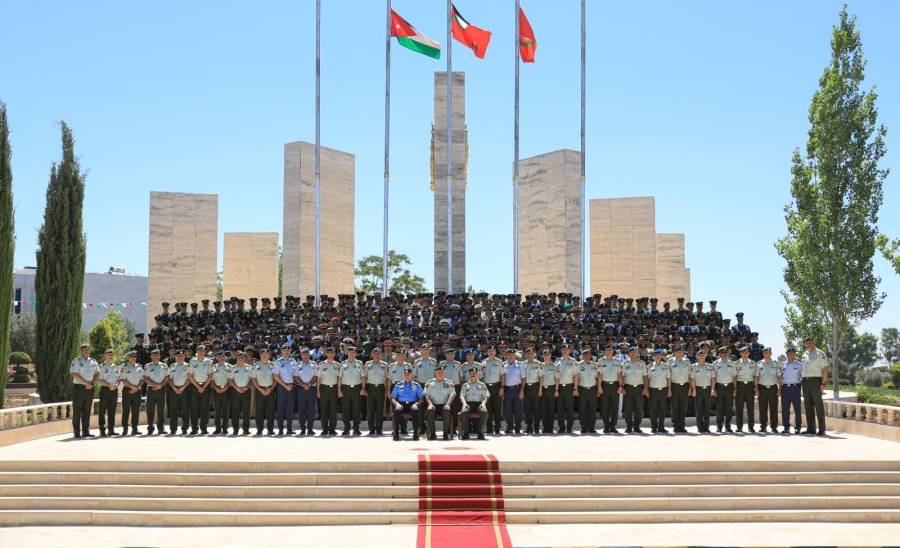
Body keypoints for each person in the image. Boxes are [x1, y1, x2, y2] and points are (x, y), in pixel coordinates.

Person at [69, 344, 99, 439]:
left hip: (90, 388)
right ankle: (76, 432)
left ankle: (86, 432)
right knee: (77, 411)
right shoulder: (76, 361)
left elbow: (97, 373)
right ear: (81, 351)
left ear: (89, 350)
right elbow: (74, 374)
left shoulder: (93, 361)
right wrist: (86, 383)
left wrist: (92, 383)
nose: (85, 351)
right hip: (79, 388)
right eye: (83, 349)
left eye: (87, 349)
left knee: (87, 411)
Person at [801, 337, 829, 436]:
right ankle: (811, 428)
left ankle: (822, 429)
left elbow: (825, 369)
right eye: (807, 343)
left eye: (811, 343)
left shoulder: (820, 353)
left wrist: (823, 383)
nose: (809, 344)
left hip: (816, 381)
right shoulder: (804, 354)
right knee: (808, 406)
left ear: (814, 343)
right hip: (805, 381)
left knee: (818, 406)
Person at [390, 367, 423, 441]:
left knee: (415, 410)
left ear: (412, 376)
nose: (407, 376)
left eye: (409, 375)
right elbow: (393, 398)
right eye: (406, 374)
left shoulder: (416, 385)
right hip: (401, 404)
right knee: (396, 411)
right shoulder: (398, 385)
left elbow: (421, 399)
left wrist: (416, 404)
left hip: (412, 404)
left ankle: (416, 434)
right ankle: (396, 434)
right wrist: (397, 404)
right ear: (404, 375)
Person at [621, 347, 649, 434]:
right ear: (629, 354)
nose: (633, 354)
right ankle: (629, 426)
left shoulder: (642, 363)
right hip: (628, 388)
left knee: (639, 409)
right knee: (627, 409)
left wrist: (646, 388)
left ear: (637, 353)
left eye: (635, 352)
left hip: (639, 388)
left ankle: (637, 426)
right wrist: (622, 387)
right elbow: (622, 376)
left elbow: (645, 376)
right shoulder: (625, 363)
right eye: (631, 352)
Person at [424, 365, 455, 440]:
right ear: (435, 373)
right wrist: (430, 404)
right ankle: (432, 434)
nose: (440, 373)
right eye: (438, 372)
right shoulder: (429, 383)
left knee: (447, 410)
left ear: (444, 373)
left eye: (442, 372)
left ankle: (445, 434)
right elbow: (427, 395)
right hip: (433, 405)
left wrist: (448, 404)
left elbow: (452, 394)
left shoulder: (449, 383)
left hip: (445, 404)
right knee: (430, 410)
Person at [188, 345, 213, 435]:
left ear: (205, 352)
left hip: (205, 386)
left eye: (203, 351)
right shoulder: (192, 361)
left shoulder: (209, 361)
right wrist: (198, 387)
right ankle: (194, 428)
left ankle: (204, 428)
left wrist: (203, 387)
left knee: (205, 408)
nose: (201, 352)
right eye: (200, 351)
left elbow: (210, 376)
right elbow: (190, 375)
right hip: (195, 386)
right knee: (194, 408)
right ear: (197, 352)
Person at [597, 345, 622, 434]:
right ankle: (606, 426)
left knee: (615, 406)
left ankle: (613, 426)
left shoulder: (617, 361)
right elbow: (600, 375)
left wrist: (620, 386)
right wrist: (599, 387)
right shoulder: (601, 361)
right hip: (605, 385)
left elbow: (619, 375)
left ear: (613, 351)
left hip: (615, 385)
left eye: (611, 350)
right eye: (607, 350)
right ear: (604, 352)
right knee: (605, 407)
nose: (609, 351)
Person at [757, 347, 782, 434]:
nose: (767, 354)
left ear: (771, 353)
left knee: (773, 408)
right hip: (762, 388)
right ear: (763, 354)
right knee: (762, 408)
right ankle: (763, 426)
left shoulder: (776, 363)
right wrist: (756, 389)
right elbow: (756, 377)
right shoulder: (759, 364)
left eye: (768, 352)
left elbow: (779, 376)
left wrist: (779, 389)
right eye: (765, 353)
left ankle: (774, 427)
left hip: (773, 388)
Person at [459, 368, 489, 440]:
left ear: (477, 374)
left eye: (474, 373)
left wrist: (483, 403)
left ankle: (480, 433)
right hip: (468, 403)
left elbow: (486, 396)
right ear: (469, 375)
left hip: (479, 404)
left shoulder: (482, 385)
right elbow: (462, 396)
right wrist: (464, 403)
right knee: (464, 412)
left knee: (484, 412)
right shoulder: (465, 385)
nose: (473, 375)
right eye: (471, 373)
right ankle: (465, 433)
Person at [317, 347, 341, 436]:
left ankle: (332, 429)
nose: (331, 354)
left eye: (332, 353)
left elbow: (339, 379)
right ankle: (324, 429)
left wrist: (339, 390)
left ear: (334, 354)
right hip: (324, 389)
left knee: (333, 410)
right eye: (329, 353)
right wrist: (318, 391)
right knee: (324, 410)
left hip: (334, 389)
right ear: (326, 354)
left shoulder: (338, 365)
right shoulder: (321, 364)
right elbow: (319, 379)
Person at [272, 344, 296, 435]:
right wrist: (285, 386)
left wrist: (292, 384)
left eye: (288, 350)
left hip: (291, 387)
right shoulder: (278, 362)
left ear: (290, 351)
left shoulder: (293, 361)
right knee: (281, 409)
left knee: (290, 409)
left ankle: (289, 429)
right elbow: (275, 376)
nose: (286, 352)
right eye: (284, 350)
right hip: (282, 387)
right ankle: (281, 429)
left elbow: (295, 375)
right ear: (281, 351)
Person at [143, 349, 169, 435]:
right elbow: (145, 378)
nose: (155, 357)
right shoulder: (147, 366)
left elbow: (167, 377)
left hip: (161, 390)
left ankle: (161, 428)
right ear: (151, 356)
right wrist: (155, 385)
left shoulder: (164, 366)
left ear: (159, 356)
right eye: (154, 355)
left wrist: (161, 385)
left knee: (161, 410)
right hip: (151, 390)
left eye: (157, 355)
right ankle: (150, 428)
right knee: (150, 410)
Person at [340, 346, 364, 436]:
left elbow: (363, 377)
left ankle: (356, 428)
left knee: (356, 409)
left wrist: (363, 388)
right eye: (350, 352)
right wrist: (339, 390)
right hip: (345, 388)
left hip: (357, 388)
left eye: (353, 352)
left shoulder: (359, 363)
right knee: (345, 409)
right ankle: (346, 428)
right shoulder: (343, 364)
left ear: (355, 353)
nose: (351, 354)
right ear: (347, 353)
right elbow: (340, 377)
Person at [734, 345, 759, 433]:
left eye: (747, 352)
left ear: (749, 353)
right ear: (740, 353)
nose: (745, 354)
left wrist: (756, 388)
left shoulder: (753, 363)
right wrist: (735, 388)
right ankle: (739, 427)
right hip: (740, 386)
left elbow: (755, 377)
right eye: (743, 352)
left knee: (750, 408)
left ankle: (751, 427)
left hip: (749, 386)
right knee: (739, 408)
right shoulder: (736, 363)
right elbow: (735, 377)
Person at [294, 347, 318, 436]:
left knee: (311, 410)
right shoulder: (297, 365)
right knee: (302, 410)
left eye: (307, 354)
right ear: (301, 355)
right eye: (303, 354)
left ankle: (310, 429)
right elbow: (296, 377)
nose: (305, 355)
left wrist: (309, 384)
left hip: (311, 389)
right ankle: (303, 429)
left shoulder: (314, 364)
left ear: (309, 355)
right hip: (301, 390)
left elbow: (316, 376)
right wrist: (304, 384)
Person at [252, 348, 276, 436]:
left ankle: (270, 429)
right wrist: (261, 389)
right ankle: (259, 429)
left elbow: (276, 379)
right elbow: (253, 379)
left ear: (269, 355)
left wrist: (270, 389)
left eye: (266, 355)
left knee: (271, 411)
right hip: (259, 390)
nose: (264, 356)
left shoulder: (273, 365)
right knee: (259, 411)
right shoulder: (256, 365)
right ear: (260, 356)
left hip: (270, 390)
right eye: (262, 355)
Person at [481, 345, 505, 435]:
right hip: (486, 387)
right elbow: (481, 376)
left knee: (497, 409)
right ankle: (489, 428)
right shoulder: (483, 362)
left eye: (493, 350)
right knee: (488, 409)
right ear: (487, 352)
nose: (491, 352)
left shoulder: (499, 362)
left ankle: (497, 428)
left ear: (495, 352)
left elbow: (502, 375)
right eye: (489, 351)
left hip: (497, 386)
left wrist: (502, 387)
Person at [575, 348, 600, 434]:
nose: (587, 356)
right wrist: (576, 389)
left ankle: (591, 427)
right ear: (582, 356)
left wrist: (598, 389)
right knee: (582, 409)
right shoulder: (578, 365)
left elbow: (597, 378)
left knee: (592, 409)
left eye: (588, 354)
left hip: (593, 389)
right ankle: (584, 427)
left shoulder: (595, 365)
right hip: (582, 389)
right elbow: (576, 378)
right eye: (585, 355)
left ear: (591, 356)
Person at [689, 349, 715, 433]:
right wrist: (694, 390)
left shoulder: (710, 366)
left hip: (707, 389)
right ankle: (700, 427)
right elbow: (692, 379)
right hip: (698, 389)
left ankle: (706, 427)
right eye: (700, 356)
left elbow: (713, 378)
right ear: (696, 357)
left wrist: (712, 389)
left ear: (705, 356)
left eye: (703, 356)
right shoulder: (693, 366)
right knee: (699, 409)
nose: (701, 357)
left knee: (707, 409)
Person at [646, 349, 671, 434]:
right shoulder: (649, 367)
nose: (658, 357)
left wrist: (669, 390)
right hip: (653, 390)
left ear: (662, 356)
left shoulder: (666, 366)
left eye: (659, 355)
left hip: (663, 390)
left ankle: (661, 427)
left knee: (662, 410)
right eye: (656, 355)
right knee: (653, 410)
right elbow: (647, 380)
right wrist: (647, 390)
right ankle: (654, 427)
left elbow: (668, 379)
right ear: (653, 357)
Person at [667, 345, 691, 433]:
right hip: (674, 386)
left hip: (684, 386)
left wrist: (690, 388)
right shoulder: (670, 361)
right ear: (674, 353)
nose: (680, 353)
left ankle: (682, 426)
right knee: (674, 407)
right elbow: (668, 377)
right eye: (677, 352)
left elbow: (689, 375)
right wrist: (669, 389)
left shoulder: (687, 361)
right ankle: (675, 425)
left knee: (683, 407)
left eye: (681, 352)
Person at [555, 344, 578, 434]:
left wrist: (575, 388)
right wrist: (556, 389)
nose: (565, 351)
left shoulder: (573, 361)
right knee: (560, 409)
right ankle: (561, 427)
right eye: (563, 349)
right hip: (560, 387)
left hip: (569, 387)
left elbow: (576, 376)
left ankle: (569, 427)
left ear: (570, 351)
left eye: (567, 349)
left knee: (570, 409)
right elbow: (556, 376)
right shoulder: (557, 361)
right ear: (561, 351)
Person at [97, 349, 120, 437]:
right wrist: (109, 385)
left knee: (112, 411)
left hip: (114, 390)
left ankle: (111, 430)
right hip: (105, 390)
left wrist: (116, 384)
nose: (110, 356)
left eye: (111, 354)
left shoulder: (116, 367)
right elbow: (99, 379)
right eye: (108, 354)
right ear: (105, 356)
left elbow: (118, 379)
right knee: (102, 411)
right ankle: (102, 430)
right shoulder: (101, 366)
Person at [364, 347, 387, 436]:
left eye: (378, 354)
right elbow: (365, 378)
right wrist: (364, 389)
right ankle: (371, 429)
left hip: (380, 388)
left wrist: (386, 390)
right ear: (372, 355)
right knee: (370, 410)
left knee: (380, 410)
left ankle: (379, 429)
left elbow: (386, 378)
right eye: (375, 353)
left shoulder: (384, 365)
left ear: (380, 355)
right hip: (370, 388)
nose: (377, 355)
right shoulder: (367, 364)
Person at [500, 348, 524, 435]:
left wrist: (522, 390)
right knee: (507, 410)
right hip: (507, 389)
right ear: (507, 356)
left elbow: (523, 378)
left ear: (515, 356)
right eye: (509, 355)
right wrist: (502, 388)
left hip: (517, 388)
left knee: (518, 409)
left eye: (512, 355)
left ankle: (518, 427)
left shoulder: (520, 365)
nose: (511, 356)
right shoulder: (503, 365)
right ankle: (509, 427)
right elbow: (501, 377)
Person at [120, 350, 143, 436]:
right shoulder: (124, 367)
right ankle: (125, 429)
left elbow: (142, 379)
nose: (134, 358)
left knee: (136, 411)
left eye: (135, 357)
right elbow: (123, 380)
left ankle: (135, 429)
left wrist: (138, 387)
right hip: (127, 391)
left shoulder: (140, 367)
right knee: (126, 410)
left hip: (137, 391)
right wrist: (133, 387)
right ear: (128, 358)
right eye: (132, 357)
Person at [713, 346, 736, 432]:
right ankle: (719, 426)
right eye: (722, 353)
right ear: (719, 354)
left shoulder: (732, 363)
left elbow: (734, 377)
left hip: (729, 387)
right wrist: (713, 389)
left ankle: (728, 426)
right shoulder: (715, 364)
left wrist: (735, 389)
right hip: (719, 387)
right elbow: (713, 377)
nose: (724, 354)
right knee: (719, 408)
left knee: (729, 408)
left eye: (726, 352)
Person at [168, 349, 191, 435]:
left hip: (185, 389)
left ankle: (184, 428)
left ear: (184, 356)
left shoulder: (188, 366)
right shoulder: (172, 366)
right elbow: (169, 379)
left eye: (181, 356)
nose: (180, 357)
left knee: (185, 410)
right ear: (175, 357)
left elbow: (189, 379)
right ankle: (173, 429)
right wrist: (174, 388)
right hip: (174, 390)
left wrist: (182, 388)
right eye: (178, 356)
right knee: (173, 410)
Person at [211, 350, 233, 435]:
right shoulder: (213, 367)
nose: (221, 358)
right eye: (219, 356)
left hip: (227, 390)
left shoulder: (230, 367)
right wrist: (216, 388)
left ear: (225, 357)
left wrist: (225, 387)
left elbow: (230, 379)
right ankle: (217, 428)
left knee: (226, 410)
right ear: (216, 357)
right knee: (217, 410)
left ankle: (225, 428)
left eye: (223, 356)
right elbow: (211, 380)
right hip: (216, 390)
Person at [781, 347, 803, 434]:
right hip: (785, 388)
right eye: (789, 353)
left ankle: (798, 427)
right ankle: (786, 427)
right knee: (785, 409)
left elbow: (802, 376)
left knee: (797, 409)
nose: (790, 355)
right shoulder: (782, 364)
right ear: (786, 355)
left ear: (794, 354)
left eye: (792, 353)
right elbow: (780, 376)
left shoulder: (799, 365)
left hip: (795, 387)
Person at [230, 351, 253, 435]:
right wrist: (236, 388)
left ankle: (246, 429)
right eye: (239, 357)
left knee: (246, 411)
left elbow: (251, 380)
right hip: (235, 391)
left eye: (242, 357)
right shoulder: (233, 368)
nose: (240, 359)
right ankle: (235, 429)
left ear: (245, 358)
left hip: (246, 391)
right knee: (235, 411)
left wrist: (246, 387)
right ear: (236, 358)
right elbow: (230, 380)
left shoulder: (249, 368)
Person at [521, 347, 542, 435]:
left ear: (534, 354)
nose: (529, 355)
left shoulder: (538, 364)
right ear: (526, 355)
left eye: (531, 354)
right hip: (526, 388)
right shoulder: (523, 364)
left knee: (536, 408)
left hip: (535, 387)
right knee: (527, 409)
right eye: (528, 354)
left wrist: (540, 389)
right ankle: (529, 427)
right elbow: (522, 377)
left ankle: (536, 428)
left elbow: (541, 377)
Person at [538, 349, 559, 435]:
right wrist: (540, 389)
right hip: (543, 389)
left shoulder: (554, 366)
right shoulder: (540, 366)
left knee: (551, 409)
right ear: (543, 356)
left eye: (548, 355)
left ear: (550, 356)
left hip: (551, 389)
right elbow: (540, 378)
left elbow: (557, 378)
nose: (546, 356)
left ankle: (550, 427)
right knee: (544, 409)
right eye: (545, 355)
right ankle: (545, 427)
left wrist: (556, 390)